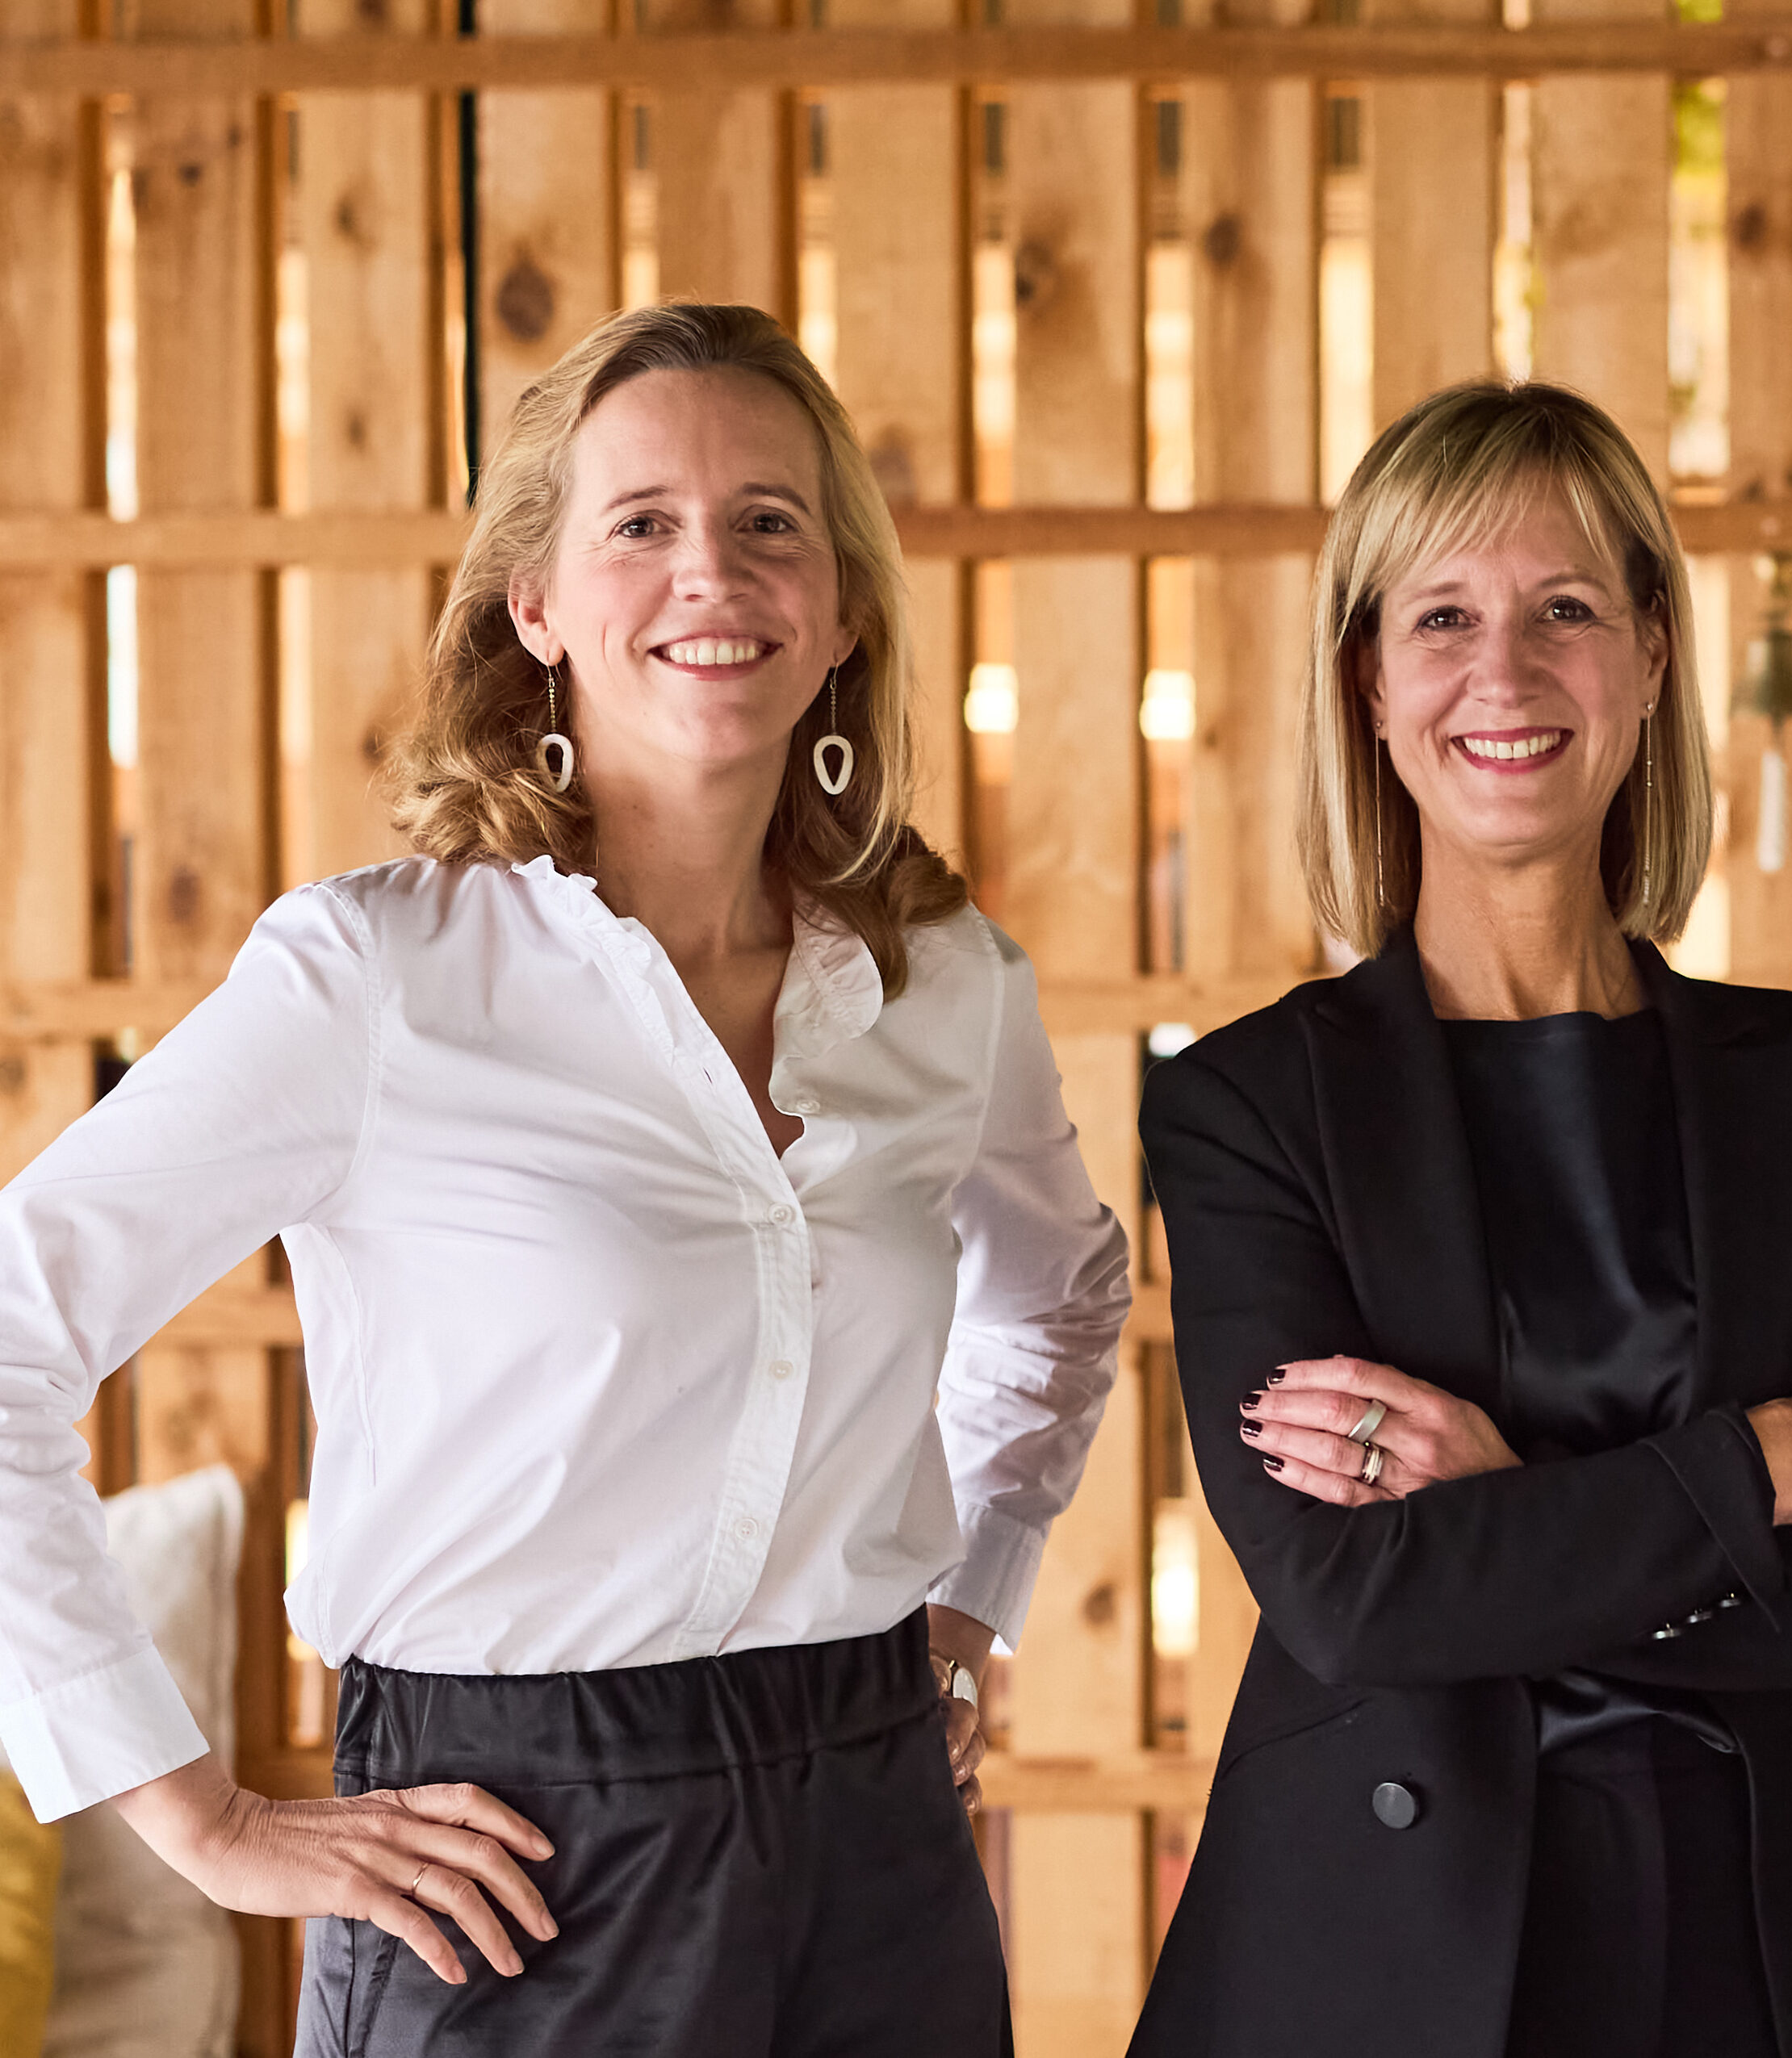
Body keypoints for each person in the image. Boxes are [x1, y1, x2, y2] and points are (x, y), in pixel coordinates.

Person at [0, 302, 1128, 2056]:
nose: (712, 573)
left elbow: (1061, 1297)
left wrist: (972, 1600)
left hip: (879, 1844)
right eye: (642, 523)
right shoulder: (379, 979)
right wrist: (197, 1818)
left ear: (842, 609)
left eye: (769, 521)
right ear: (535, 603)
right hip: (507, 1869)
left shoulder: (946, 984)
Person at [1128, 380, 1792, 2058]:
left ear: (1652, 656)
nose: (1505, 673)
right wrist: (1745, 1475)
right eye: (1442, 618)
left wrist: (1512, 1509)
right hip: (1391, 1975)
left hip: (1777, 1953)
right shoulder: (1248, 1106)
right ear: (1369, 680)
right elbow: (1352, 1600)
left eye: (1567, 611)